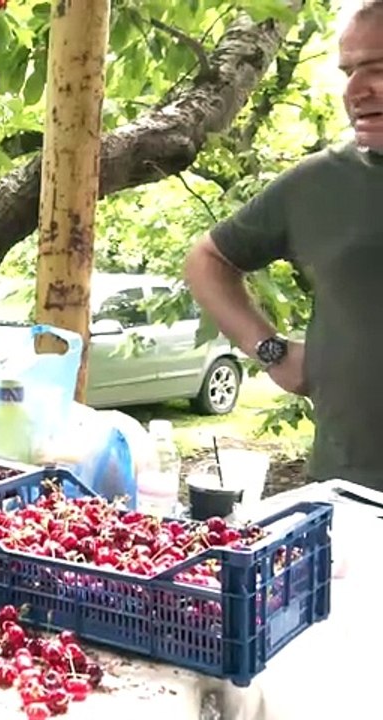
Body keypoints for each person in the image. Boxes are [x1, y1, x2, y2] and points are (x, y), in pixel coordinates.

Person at [184, 0, 383, 491]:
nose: (355, 91)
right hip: (353, 491)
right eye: (349, 71)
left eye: (378, 69)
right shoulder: (319, 184)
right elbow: (207, 260)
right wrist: (271, 352)